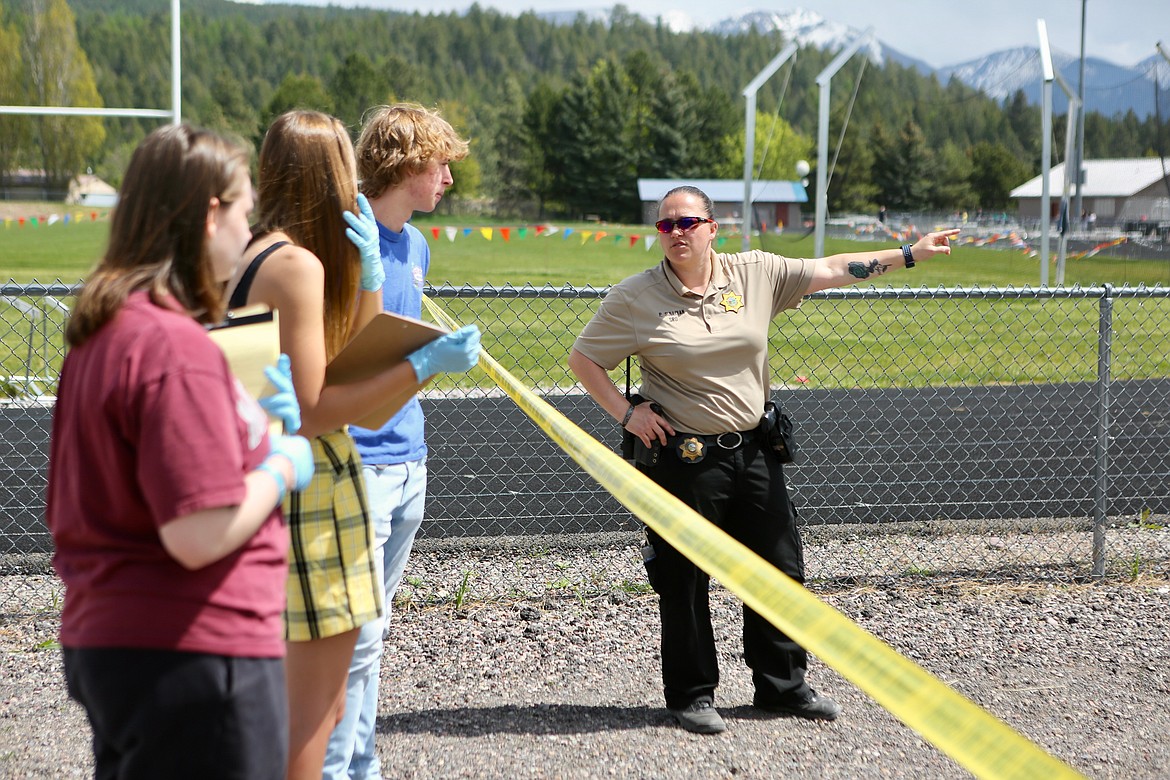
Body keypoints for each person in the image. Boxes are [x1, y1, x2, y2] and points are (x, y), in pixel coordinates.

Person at [568, 185, 959, 735]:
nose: (677, 233)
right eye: (666, 226)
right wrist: (626, 414)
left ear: (712, 227)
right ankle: (691, 695)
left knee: (780, 570)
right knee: (682, 579)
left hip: (754, 453)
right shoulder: (635, 298)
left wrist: (909, 253)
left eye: (687, 223)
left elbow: (831, 267)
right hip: (685, 460)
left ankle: (782, 687)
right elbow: (583, 359)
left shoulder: (755, 273)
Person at [45, 123, 314, 779]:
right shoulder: (173, 346)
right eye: (246, 210)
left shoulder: (107, 330)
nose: (251, 233)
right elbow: (197, 530)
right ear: (210, 214)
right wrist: (282, 467)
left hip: (119, 642)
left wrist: (255, 429)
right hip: (193, 649)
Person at [225, 110, 481, 780]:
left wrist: (369, 280)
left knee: (325, 678)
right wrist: (422, 367)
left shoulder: (255, 253)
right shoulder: (295, 265)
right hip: (314, 479)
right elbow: (316, 407)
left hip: (274, 473)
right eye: (345, 160)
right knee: (320, 701)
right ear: (327, 171)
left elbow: (341, 364)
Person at [323, 103, 474, 779]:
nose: (447, 177)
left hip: (409, 458)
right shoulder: (344, 237)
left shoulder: (416, 245)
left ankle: (358, 758)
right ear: (408, 164)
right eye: (439, 164)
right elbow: (348, 355)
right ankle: (342, 765)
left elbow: (396, 352)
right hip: (357, 463)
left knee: (373, 631)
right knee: (353, 636)